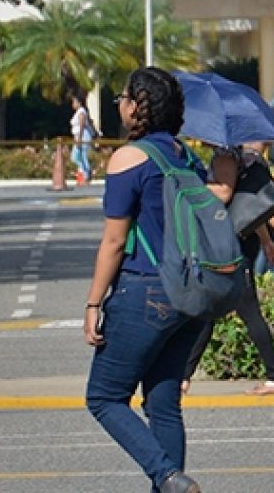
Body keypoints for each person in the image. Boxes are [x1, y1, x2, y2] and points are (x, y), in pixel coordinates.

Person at [84, 68, 207, 493]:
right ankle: (171, 484)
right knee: (163, 404)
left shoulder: (129, 158)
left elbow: (115, 242)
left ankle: (168, 477)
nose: (119, 104)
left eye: (122, 98)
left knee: (103, 397)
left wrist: (93, 304)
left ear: (138, 106)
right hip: (190, 294)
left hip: (146, 289)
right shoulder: (187, 157)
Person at [183, 142, 274, 397]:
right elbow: (247, 208)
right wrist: (267, 240)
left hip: (234, 246)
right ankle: (184, 376)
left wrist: (190, 188)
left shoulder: (225, 155)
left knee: (243, 309)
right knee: (211, 309)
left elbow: (226, 194)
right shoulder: (237, 156)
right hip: (238, 241)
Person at [70, 94, 96, 186]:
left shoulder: (81, 112)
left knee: (82, 156)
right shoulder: (78, 112)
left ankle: (86, 176)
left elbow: (81, 125)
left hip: (83, 136)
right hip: (78, 136)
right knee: (76, 157)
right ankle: (85, 174)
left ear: (79, 102)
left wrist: (79, 138)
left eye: (74, 102)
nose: (72, 104)